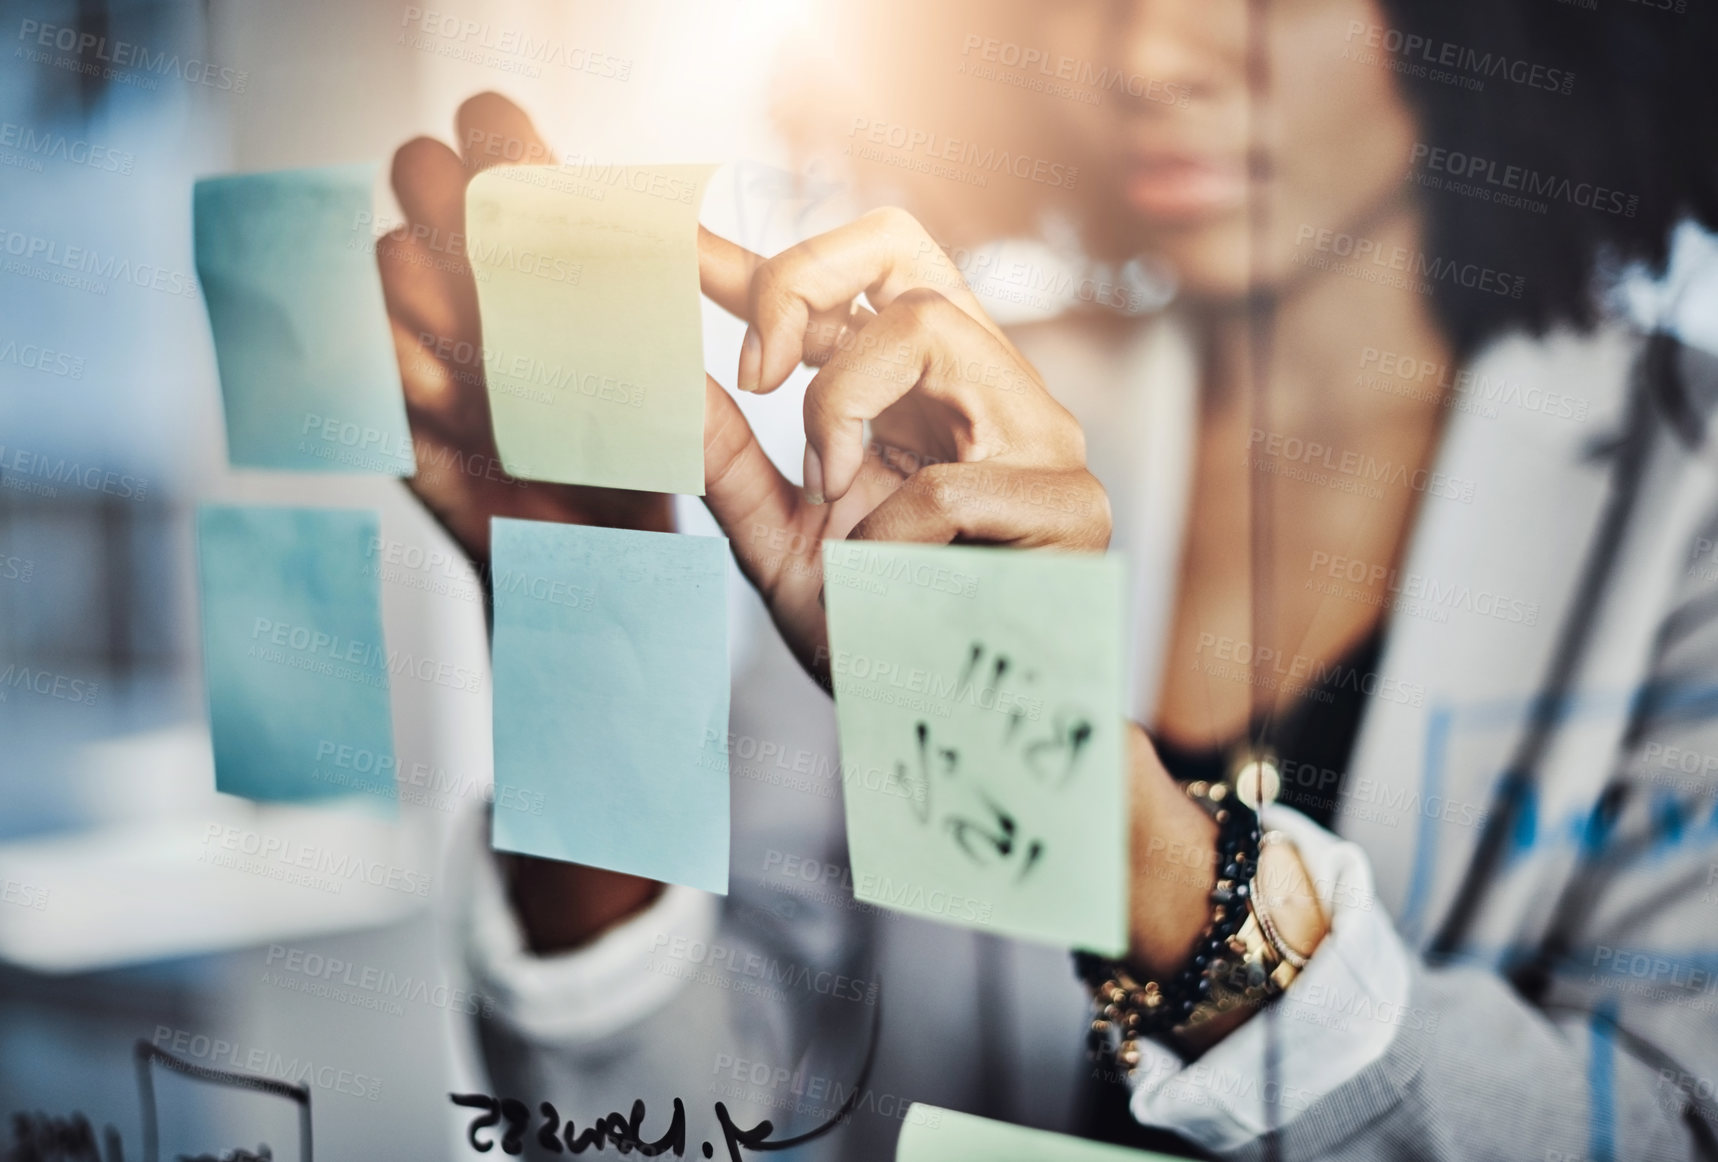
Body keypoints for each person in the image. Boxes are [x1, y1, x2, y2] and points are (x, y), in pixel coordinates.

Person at [376, 0, 1718, 1156]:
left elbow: (1666, 1124)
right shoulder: (936, 430)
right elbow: (698, 1113)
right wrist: (585, 622)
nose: (1145, 51)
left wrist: (1120, 840)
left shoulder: (1685, 502)